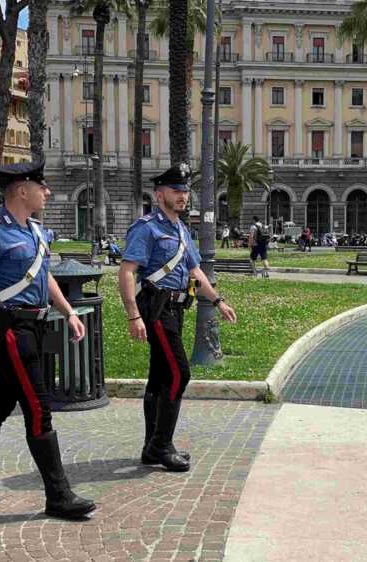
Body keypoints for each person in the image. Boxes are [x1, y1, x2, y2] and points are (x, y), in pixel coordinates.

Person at [0, 161, 96, 520]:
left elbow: (44, 276)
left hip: (35, 327)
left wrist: (69, 311)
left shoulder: (37, 232)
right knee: (38, 407)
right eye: (41, 187)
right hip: (11, 329)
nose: (46, 192)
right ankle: (58, 495)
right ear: (22, 190)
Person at [119, 163, 238, 472]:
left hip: (175, 309)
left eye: (185, 191)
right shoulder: (146, 228)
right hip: (156, 309)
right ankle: (161, 445)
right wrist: (134, 316)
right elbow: (127, 272)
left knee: (160, 378)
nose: (183, 196)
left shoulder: (183, 230)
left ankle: (151, 447)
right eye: (176, 191)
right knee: (178, 373)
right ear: (160, 195)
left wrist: (218, 300)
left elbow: (195, 272)